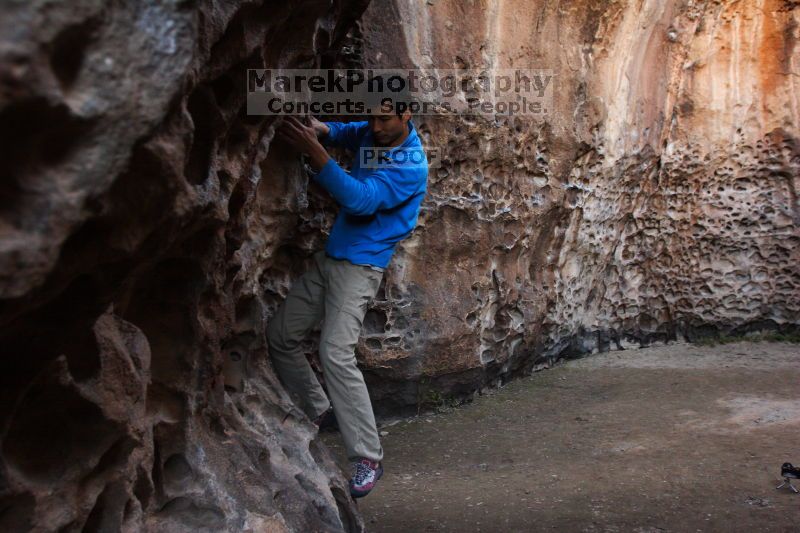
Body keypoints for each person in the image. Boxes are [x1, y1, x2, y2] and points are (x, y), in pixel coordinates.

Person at [268, 97, 428, 498]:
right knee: (280, 335)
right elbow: (350, 131)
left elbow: (361, 200)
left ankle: (367, 457)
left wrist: (314, 151)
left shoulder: (410, 164)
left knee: (335, 352)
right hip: (333, 256)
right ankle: (318, 408)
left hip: (360, 268)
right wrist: (324, 129)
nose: (374, 125)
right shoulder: (375, 132)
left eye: (383, 118)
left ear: (406, 115)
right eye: (371, 115)